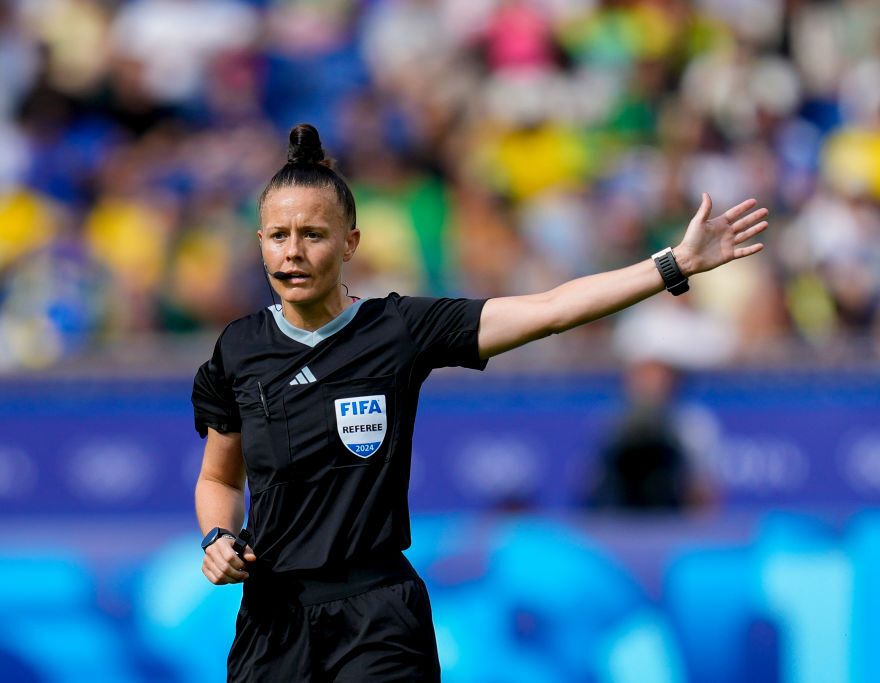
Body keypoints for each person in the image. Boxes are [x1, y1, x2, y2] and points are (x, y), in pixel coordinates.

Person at [191, 123, 769, 682]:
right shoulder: (239, 349)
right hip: (272, 620)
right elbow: (219, 480)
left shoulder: (397, 329)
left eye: (312, 235)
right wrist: (218, 539)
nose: (293, 252)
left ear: (350, 243)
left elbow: (550, 309)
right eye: (278, 236)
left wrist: (673, 265)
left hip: (376, 617)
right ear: (260, 242)